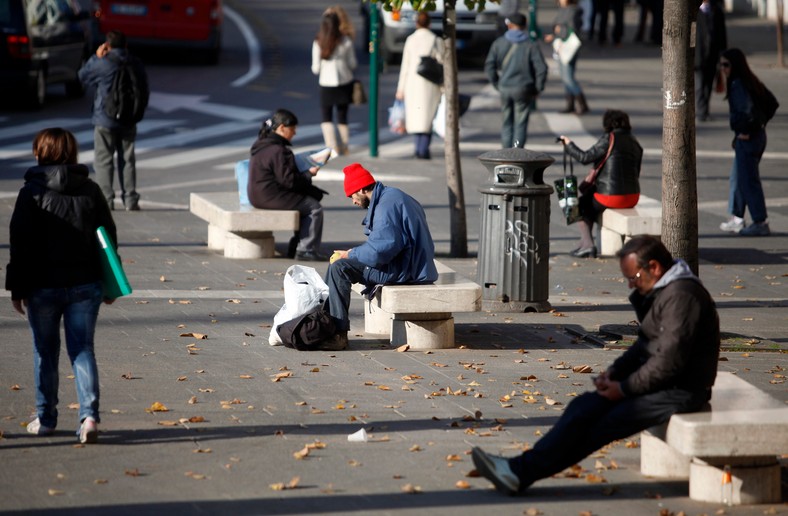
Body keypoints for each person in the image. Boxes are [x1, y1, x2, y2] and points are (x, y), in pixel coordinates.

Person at [472, 235, 721, 496]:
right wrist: (614, 373)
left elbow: (669, 362)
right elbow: (644, 346)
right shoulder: (664, 291)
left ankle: (519, 473)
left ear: (655, 268)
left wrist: (623, 389)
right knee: (582, 408)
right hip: (661, 383)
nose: (630, 284)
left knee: (601, 425)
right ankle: (517, 469)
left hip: (681, 390)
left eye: (634, 277)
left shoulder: (682, 297)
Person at [6, 128, 117, 444]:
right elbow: (108, 237)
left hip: (43, 285)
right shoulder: (91, 190)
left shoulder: (31, 192)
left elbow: (19, 243)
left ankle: (46, 418)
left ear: (39, 153)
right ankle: (90, 417)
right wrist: (109, 283)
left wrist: (16, 289)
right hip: (86, 283)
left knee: (45, 350)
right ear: (72, 153)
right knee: (83, 349)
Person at [321, 163, 439, 351]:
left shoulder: (386, 207)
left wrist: (350, 254)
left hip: (404, 270)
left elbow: (380, 252)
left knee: (339, 268)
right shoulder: (392, 196)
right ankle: (326, 324)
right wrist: (353, 253)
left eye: (352, 195)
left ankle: (337, 333)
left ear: (361, 189)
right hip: (413, 265)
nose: (353, 201)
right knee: (342, 263)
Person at [558, 109, 642, 258]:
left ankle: (588, 245)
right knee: (589, 203)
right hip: (633, 196)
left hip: (610, 197)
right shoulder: (635, 142)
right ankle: (585, 243)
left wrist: (568, 144)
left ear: (608, 124)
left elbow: (584, 157)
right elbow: (637, 171)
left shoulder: (609, 138)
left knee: (577, 206)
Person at [78, 30, 147, 211]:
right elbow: (144, 90)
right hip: (129, 119)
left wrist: (96, 57)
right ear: (125, 45)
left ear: (107, 45)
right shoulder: (136, 63)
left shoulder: (103, 64)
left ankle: (106, 200)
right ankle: (130, 199)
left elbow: (82, 76)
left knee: (103, 160)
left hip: (105, 119)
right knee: (128, 159)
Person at [248, 109, 327, 261]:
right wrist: (309, 173)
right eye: (293, 129)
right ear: (282, 128)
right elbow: (289, 182)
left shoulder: (262, 144)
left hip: (257, 194)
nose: (295, 133)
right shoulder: (279, 151)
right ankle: (306, 249)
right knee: (313, 207)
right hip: (269, 195)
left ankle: (296, 245)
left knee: (305, 201)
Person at [718, 48, 771, 237]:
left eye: (726, 65)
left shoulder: (739, 85)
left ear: (735, 65)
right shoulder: (748, 81)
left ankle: (760, 221)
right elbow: (770, 103)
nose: (722, 69)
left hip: (749, 138)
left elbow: (749, 111)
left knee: (748, 180)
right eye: (721, 64)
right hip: (754, 136)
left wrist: (747, 130)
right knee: (739, 177)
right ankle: (737, 217)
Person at [484, 13, 548, 148]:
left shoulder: (499, 43)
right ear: (524, 26)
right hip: (524, 88)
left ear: (509, 25)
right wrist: (538, 88)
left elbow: (489, 66)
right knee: (521, 123)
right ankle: (517, 153)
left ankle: (506, 154)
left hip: (505, 87)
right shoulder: (531, 45)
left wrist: (496, 83)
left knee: (506, 122)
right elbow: (541, 68)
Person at [396, 11, 443, 160]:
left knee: (415, 117)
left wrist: (400, 88)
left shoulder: (410, 39)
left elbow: (405, 66)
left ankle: (418, 148)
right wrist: (444, 87)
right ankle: (423, 149)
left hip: (412, 82)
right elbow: (442, 64)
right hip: (430, 83)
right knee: (428, 118)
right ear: (429, 23)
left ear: (417, 23)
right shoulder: (436, 40)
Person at [312, 11, 357, 156]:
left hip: (326, 82)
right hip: (344, 81)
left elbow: (315, 68)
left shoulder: (319, 41)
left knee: (327, 115)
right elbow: (353, 63)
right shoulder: (345, 41)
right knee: (342, 115)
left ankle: (332, 147)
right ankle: (344, 146)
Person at [544, 0, 589, 115]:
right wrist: (555, 34)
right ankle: (570, 104)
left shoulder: (571, 11)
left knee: (567, 77)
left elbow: (572, 29)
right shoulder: (566, 10)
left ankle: (582, 104)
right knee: (567, 77)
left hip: (567, 47)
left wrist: (558, 32)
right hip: (564, 46)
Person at [695, 0, 727, 122]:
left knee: (708, 84)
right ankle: (701, 111)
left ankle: (705, 110)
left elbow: (722, 35)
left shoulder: (717, 11)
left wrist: (723, 55)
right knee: (700, 85)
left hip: (712, 56)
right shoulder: (694, 11)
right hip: (698, 56)